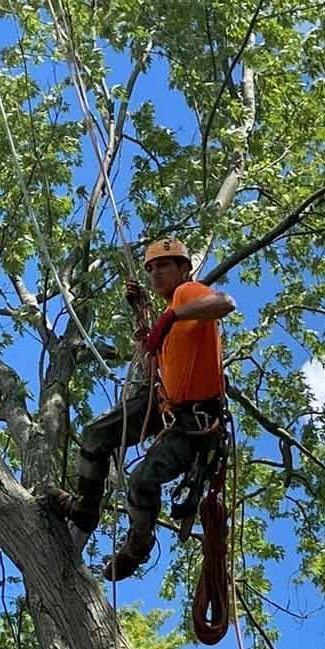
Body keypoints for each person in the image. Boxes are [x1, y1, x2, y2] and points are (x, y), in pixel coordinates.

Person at [50, 236, 235, 580]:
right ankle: (86, 507)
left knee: (140, 482)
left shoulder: (187, 293)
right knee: (95, 435)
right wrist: (143, 319)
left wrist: (171, 318)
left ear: (184, 268)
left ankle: (137, 547)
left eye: (164, 265)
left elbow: (225, 303)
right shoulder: (169, 317)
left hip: (196, 421)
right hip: (166, 405)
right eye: (151, 268)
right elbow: (150, 367)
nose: (156, 273)